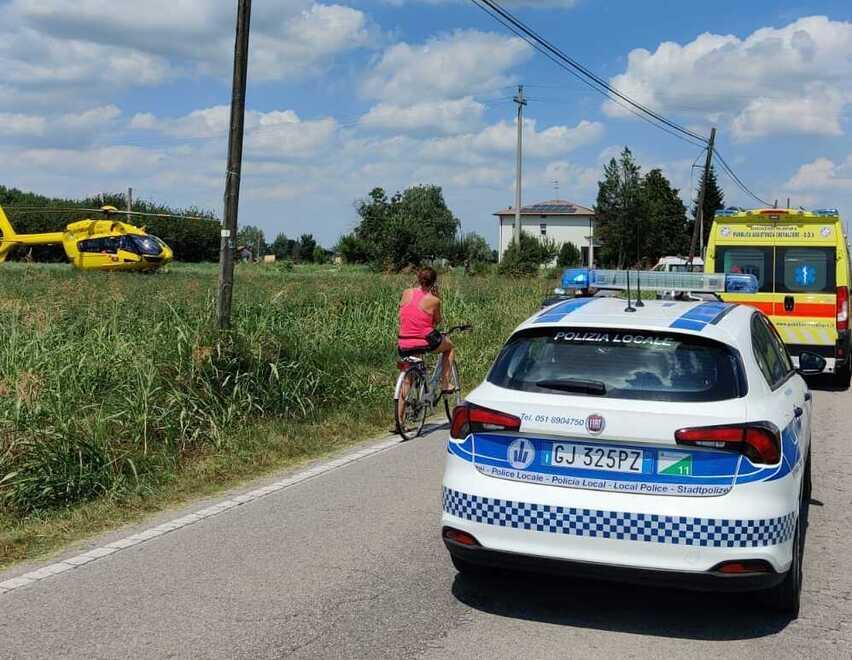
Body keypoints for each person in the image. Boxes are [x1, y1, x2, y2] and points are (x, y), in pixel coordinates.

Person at [398, 266, 456, 392]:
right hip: (424, 339)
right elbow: (437, 321)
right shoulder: (434, 300)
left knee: (407, 381)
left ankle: (401, 410)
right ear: (434, 282)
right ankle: (445, 383)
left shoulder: (406, 292)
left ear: (418, 279)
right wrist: (437, 297)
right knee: (450, 347)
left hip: (403, 341)